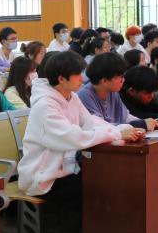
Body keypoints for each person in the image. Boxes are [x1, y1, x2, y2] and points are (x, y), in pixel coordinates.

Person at [17, 52, 143, 198]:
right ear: (61, 79)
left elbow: (90, 122)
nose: (82, 79)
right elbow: (73, 137)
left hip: (65, 168)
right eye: (77, 75)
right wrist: (117, 133)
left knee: (109, 177)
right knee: (100, 185)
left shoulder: (72, 96)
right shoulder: (45, 105)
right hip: (42, 177)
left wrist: (124, 129)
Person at [78, 52, 158, 130]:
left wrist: (149, 122)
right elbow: (101, 127)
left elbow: (126, 117)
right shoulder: (85, 96)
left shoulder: (113, 92)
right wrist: (141, 124)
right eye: (120, 77)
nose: (123, 80)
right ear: (104, 81)